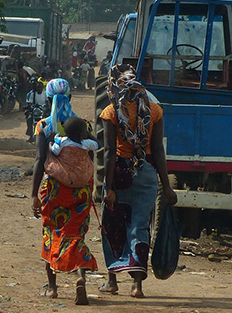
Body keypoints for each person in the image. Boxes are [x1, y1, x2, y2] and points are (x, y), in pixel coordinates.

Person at [98, 65, 177, 299]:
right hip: (147, 171)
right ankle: (137, 286)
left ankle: (112, 280)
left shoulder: (111, 111)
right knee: (140, 227)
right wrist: (167, 185)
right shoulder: (154, 111)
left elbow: (109, 153)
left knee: (112, 224)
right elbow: (159, 151)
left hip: (120, 172)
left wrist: (108, 186)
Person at [31, 80, 97, 305]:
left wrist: (33, 195)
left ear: (48, 100)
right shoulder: (81, 125)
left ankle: (52, 287)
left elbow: (40, 160)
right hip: (81, 191)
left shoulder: (44, 126)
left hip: (55, 190)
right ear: (70, 99)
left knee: (52, 231)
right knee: (75, 234)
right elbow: (90, 158)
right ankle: (80, 278)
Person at [24, 78, 48, 143]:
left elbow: (47, 102)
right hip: (35, 110)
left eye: (41, 87)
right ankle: (31, 135)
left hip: (43, 110)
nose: (39, 89)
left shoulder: (45, 94)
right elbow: (29, 103)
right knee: (29, 119)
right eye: (38, 87)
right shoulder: (32, 94)